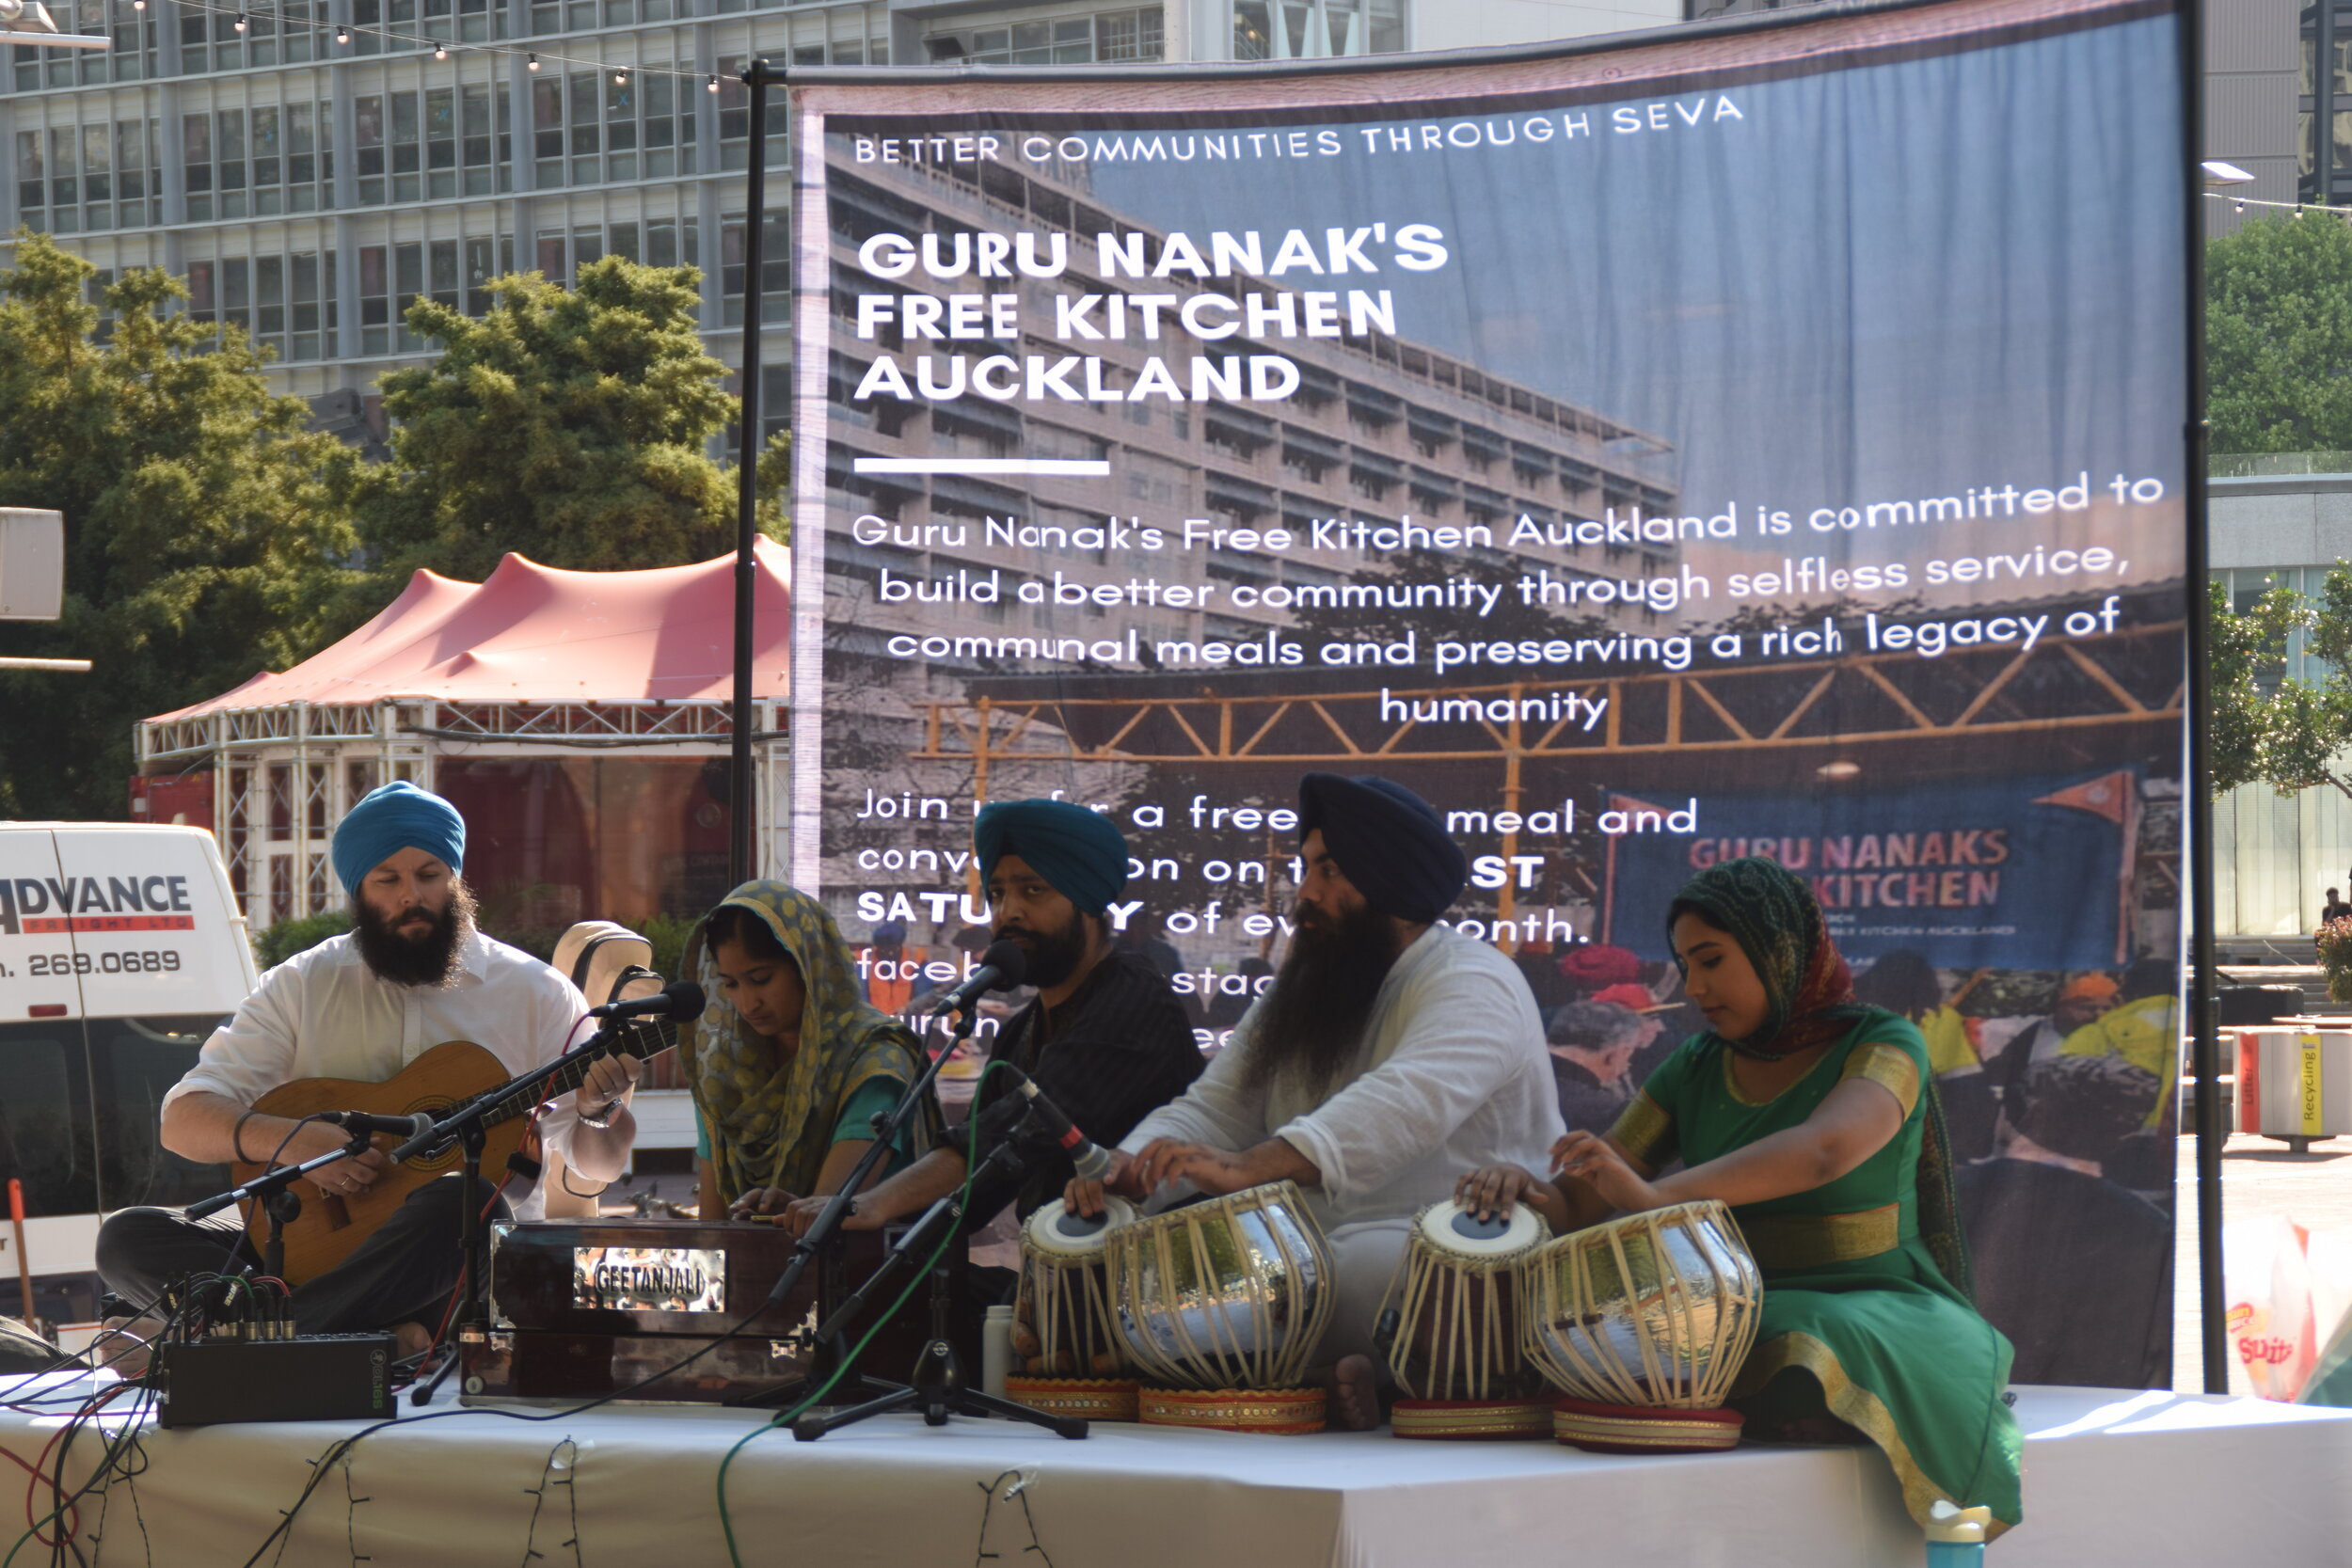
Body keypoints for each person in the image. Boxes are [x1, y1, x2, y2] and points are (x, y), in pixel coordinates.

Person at [1456, 855, 2020, 1537]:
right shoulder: (1693, 1064)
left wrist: (1651, 1199)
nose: (1693, 986)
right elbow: (1579, 1204)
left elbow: (1825, 1150)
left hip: (1871, 1299)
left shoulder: (1882, 1040)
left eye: (1712, 959)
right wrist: (1524, 1192)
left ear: (1777, 947)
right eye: (1686, 965)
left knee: (1810, 1335)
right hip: (1722, 1308)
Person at [1068, 773, 1564, 1430]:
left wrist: (1245, 1168)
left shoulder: (1474, 978)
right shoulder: (1307, 987)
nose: (1305, 893)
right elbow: (1214, 1106)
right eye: (1306, 868)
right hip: (1303, 1252)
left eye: (1328, 869)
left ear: (1391, 881)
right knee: (1151, 1255)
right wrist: (1127, 1172)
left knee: (1366, 1274)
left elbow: (1400, 1104)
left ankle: (1201, 1365)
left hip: (1447, 1238)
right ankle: (1315, 1377)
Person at [93, 781, 641, 1367]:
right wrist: (293, 1141)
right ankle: (350, 1337)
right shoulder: (303, 986)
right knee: (128, 1239)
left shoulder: (537, 995)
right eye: (389, 881)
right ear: (358, 891)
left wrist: (598, 1113)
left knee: (464, 1200)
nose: (413, 896)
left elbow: (597, 1163)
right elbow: (183, 1120)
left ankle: (261, 1349)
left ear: (456, 878)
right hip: (309, 1254)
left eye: (430, 875)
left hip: (457, 1277)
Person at [771, 799, 1202, 1243]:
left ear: (1088, 901)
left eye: (1032, 890)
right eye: (997, 894)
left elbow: (1013, 1132)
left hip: (1163, 1293)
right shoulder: (1022, 1031)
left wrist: (876, 1203)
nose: (1008, 912)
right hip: (1056, 1290)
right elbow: (972, 1196)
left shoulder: (1135, 996)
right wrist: (822, 1217)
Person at [691, 883, 930, 1223]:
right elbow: (712, 1231)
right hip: (747, 1268)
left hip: (866, 1271)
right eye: (731, 984)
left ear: (809, 967)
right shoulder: (723, 1071)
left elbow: (825, 1219)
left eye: (761, 978)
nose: (747, 1003)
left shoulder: (877, 1060)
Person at [1957, 1054, 2168, 1386]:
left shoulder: (1949, 1198)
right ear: (2123, 1134)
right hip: (2097, 1412)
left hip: (1963, 1399)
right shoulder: (2148, 1228)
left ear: (2022, 1113)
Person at [1985, 973, 2118, 1104]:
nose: (2099, 1015)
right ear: (2060, 1006)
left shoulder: (2118, 1040)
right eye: (2088, 1007)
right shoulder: (2024, 1030)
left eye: (2107, 1008)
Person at [1546, 1000, 1645, 1136]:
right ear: (1618, 1051)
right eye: (1629, 1054)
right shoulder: (1609, 1112)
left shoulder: (1516, 1076)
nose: (1626, 1067)